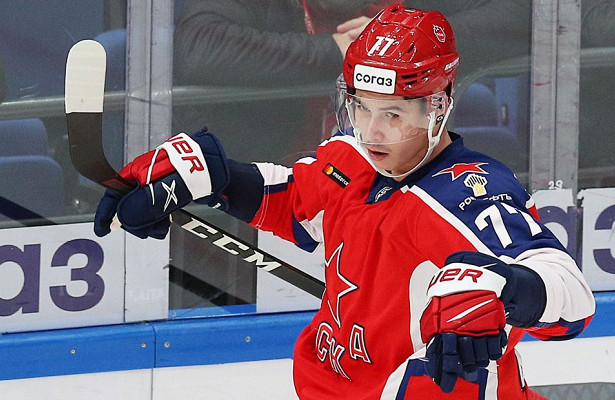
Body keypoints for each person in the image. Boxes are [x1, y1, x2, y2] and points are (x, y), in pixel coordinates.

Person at [95, 5, 595, 399]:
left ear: (438, 106)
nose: (372, 131)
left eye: (393, 114)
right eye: (361, 107)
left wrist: (507, 288)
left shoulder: (469, 193)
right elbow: (296, 198)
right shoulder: (350, 156)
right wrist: (211, 177)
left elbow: (571, 296)